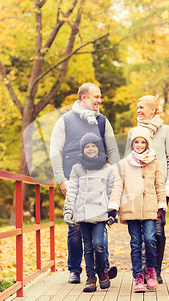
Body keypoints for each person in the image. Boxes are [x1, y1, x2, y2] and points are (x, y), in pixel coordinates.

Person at [50, 83, 120, 284]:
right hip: (75, 180)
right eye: (96, 96)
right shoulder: (64, 121)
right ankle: (75, 269)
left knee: (100, 222)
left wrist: (116, 178)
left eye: (100, 97)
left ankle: (102, 268)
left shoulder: (103, 122)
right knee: (76, 227)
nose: (100, 100)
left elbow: (113, 151)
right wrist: (61, 179)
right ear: (83, 98)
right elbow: (55, 151)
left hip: (100, 181)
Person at [125, 95, 169, 284]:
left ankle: (155, 269)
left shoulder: (167, 131)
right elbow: (127, 160)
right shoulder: (134, 132)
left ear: (153, 109)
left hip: (159, 188)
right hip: (138, 189)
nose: (138, 111)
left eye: (141, 107)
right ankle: (142, 271)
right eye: (137, 107)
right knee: (139, 234)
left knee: (157, 231)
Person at [108, 127, 167, 292]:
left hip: (150, 208)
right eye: (136, 142)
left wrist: (161, 207)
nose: (139, 145)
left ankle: (150, 271)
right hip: (131, 208)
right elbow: (117, 186)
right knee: (135, 243)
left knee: (150, 239)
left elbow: (160, 186)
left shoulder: (155, 163)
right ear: (132, 144)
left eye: (143, 142)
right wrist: (113, 207)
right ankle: (138, 277)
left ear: (148, 143)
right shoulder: (124, 163)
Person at [63, 133, 116, 292]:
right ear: (83, 150)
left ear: (99, 148)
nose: (90, 148)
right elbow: (72, 190)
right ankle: (91, 277)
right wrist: (68, 210)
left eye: (93, 145)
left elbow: (111, 191)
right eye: (87, 146)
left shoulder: (108, 169)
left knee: (98, 244)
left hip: (100, 213)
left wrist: (113, 212)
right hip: (83, 213)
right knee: (87, 247)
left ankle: (102, 271)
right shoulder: (77, 168)